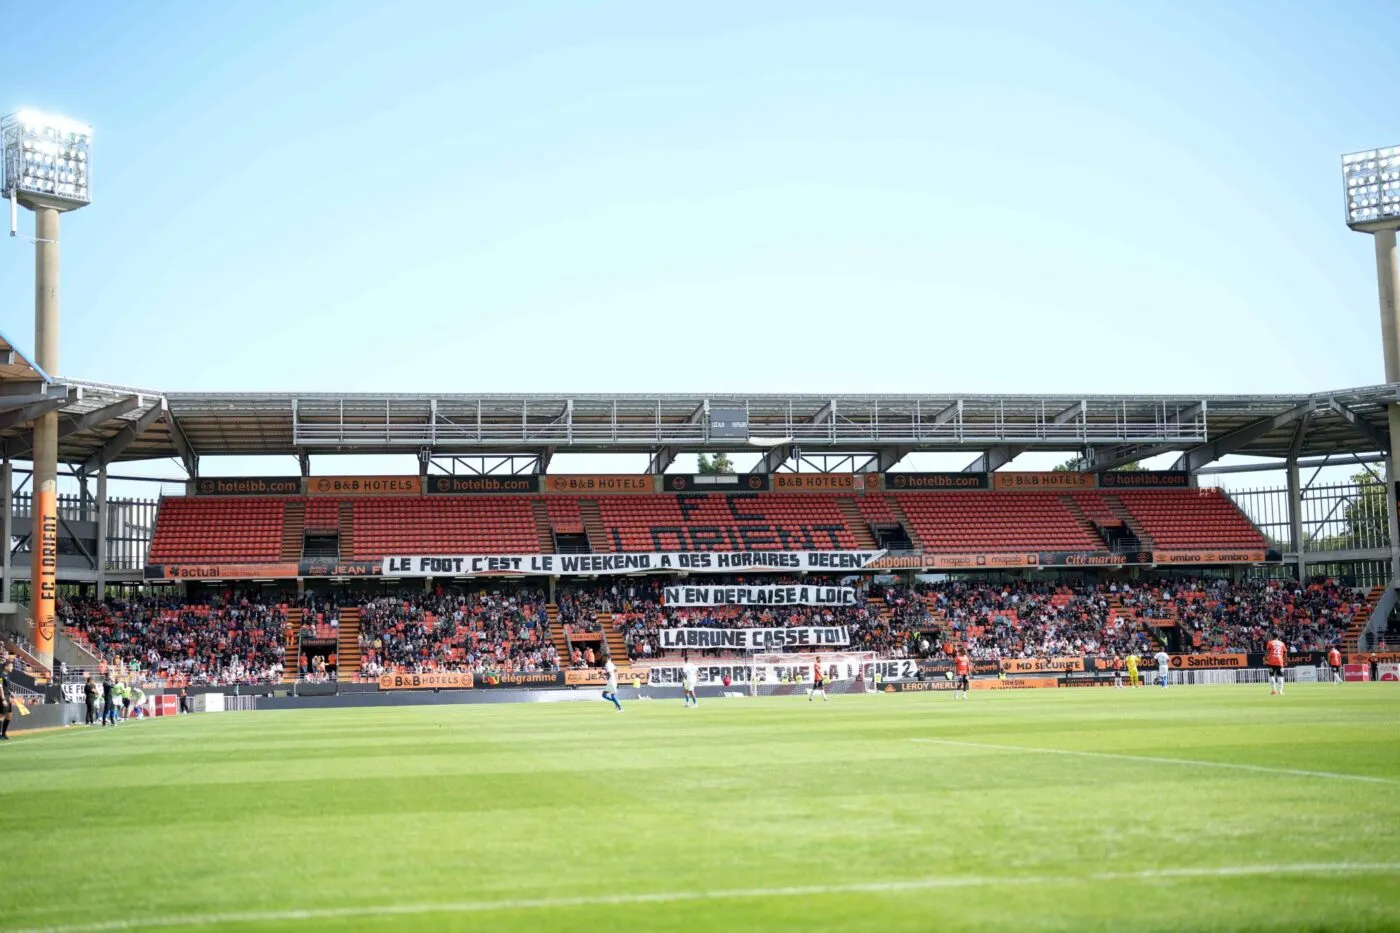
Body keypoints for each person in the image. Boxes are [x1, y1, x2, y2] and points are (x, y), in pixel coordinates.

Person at [0, 660, 13, 740]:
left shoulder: (7, 675)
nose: (12, 668)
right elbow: (0, 687)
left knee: (9, 716)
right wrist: (3, 699)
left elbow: (6, 687)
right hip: (3, 697)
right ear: (6, 666)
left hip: (8, 697)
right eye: (11, 666)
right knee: (2, 716)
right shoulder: (1, 676)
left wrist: (11, 692)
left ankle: (4, 733)